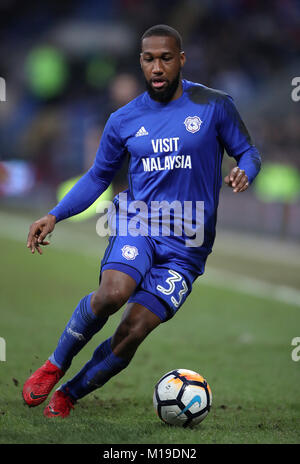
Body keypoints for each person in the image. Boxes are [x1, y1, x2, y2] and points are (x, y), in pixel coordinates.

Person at [22, 25, 261, 418]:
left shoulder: (214, 105)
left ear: (180, 60)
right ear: (141, 62)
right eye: (149, 58)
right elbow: (99, 176)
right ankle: (54, 364)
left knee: (134, 330)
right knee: (113, 294)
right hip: (140, 223)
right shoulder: (124, 119)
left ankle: (70, 393)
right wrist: (54, 214)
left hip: (188, 246)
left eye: (166, 58)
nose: (157, 66)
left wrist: (245, 171)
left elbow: (247, 151)